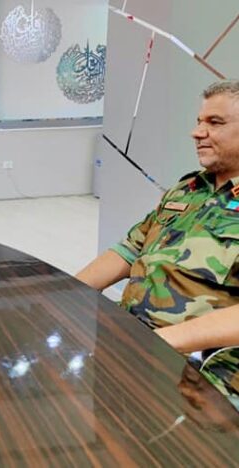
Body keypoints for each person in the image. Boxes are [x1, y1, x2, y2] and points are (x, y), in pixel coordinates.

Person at [76, 80, 239, 398]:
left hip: (201, 369)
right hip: (129, 340)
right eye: (199, 121)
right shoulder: (187, 189)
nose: (197, 132)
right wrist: (67, 294)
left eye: (215, 122)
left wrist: (156, 344)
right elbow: (130, 249)